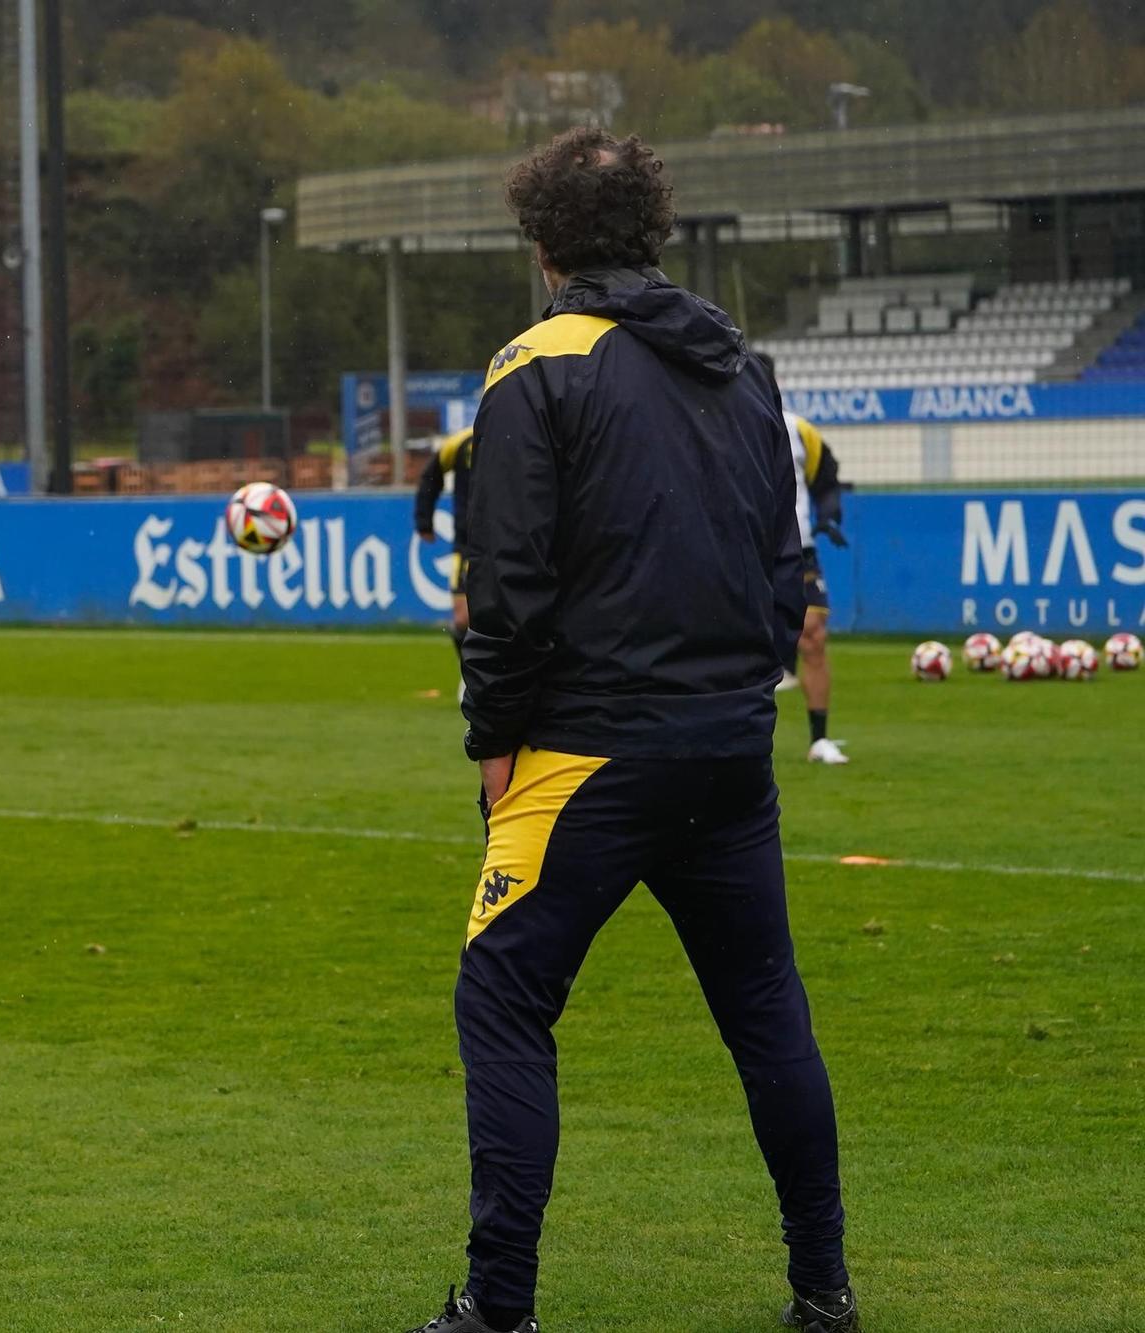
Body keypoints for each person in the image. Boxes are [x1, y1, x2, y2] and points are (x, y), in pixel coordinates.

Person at [409, 129, 855, 1333]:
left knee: (499, 998)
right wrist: (741, 684)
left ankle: (497, 1307)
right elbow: (783, 560)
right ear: (652, 228)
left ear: (538, 237)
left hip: (585, 753)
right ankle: (823, 1289)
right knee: (766, 1008)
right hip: (724, 748)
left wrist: (492, 742)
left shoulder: (533, 362)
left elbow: (503, 582)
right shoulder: (740, 364)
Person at [753, 354, 850, 765]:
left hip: (797, 550)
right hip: (741, 550)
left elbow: (825, 477)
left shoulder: (798, 429)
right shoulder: (715, 423)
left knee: (813, 637)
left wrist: (828, 516)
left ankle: (819, 739)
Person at [413, 425, 475, 688]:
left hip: (510, 544)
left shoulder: (521, 437)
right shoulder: (462, 442)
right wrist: (424, 520)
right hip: (468, 545)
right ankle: (471, 678)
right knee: (461, 618)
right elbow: (431, 475)